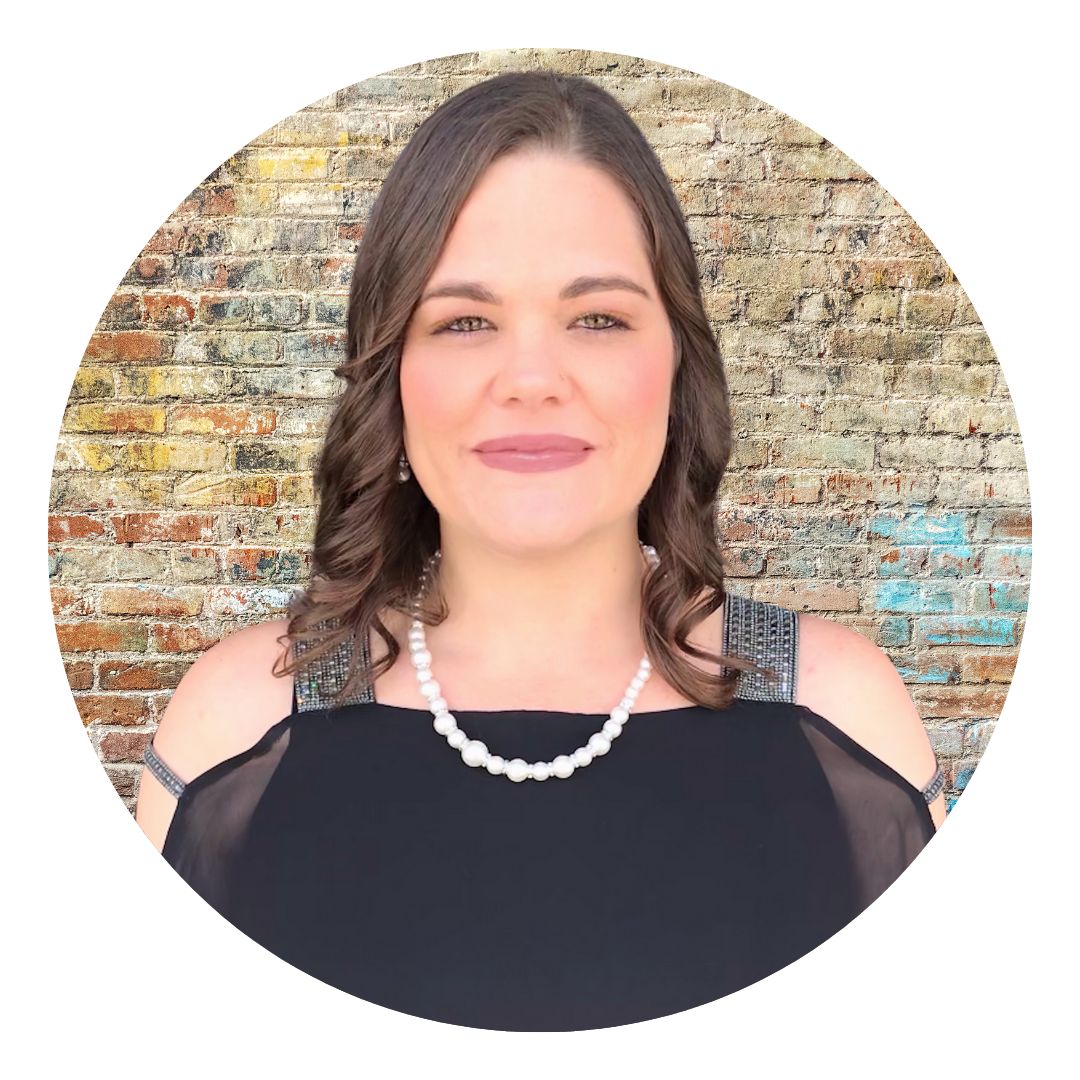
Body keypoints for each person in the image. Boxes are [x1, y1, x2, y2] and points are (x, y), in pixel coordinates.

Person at [135, 70, 946, 1031]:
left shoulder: (840, 717)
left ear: (677, 360)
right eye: (464, 321)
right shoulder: (236, 728)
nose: (530, 379)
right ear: (390, 371)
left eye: (597, 318)